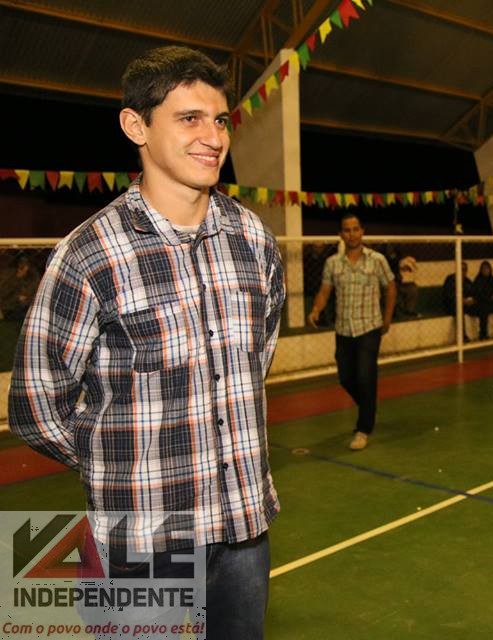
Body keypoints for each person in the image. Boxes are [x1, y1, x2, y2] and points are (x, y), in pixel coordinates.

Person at [8, 46, 285, 639]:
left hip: (243, 530)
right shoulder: (90, 254)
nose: (213, 137)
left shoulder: (253, 239)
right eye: (189, 118)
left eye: (220, 119)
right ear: (136, 126)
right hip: (140, 541)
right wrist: (120, 464)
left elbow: (254, 358)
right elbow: (36, 404)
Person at [309, 213, 396, 451]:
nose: (352, 234)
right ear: (340, 234)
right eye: (347, 230)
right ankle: (369, 407)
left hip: (369, 327)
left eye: (356, 229)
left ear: (362, 231)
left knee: (366, 376)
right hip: (344, 330)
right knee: (346, 377)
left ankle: (363, 429)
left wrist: (387, 317)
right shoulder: (332, 263)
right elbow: (324, 291)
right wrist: (316, 309)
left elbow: (390, 287)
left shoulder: (377, 260)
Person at [442, 261, 479, 339]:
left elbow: (474, 293)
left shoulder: (467, 281)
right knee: (459, 308)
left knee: (482, 305)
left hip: (466, 304)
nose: (463, 271)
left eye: (465, 269)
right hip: (452, 305)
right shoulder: (450, 279)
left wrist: (472, 300)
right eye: (461, 269)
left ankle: (483, 333)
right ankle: (462, 335)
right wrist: (461, 300)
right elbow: (448, 295)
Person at [0, 256, 40, 322]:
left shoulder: (34, 278)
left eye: (24, 266)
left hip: (25, 305)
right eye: (21, 264)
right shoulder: (11, 275)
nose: (20, 269)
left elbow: (26, 297)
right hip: (11, 305)